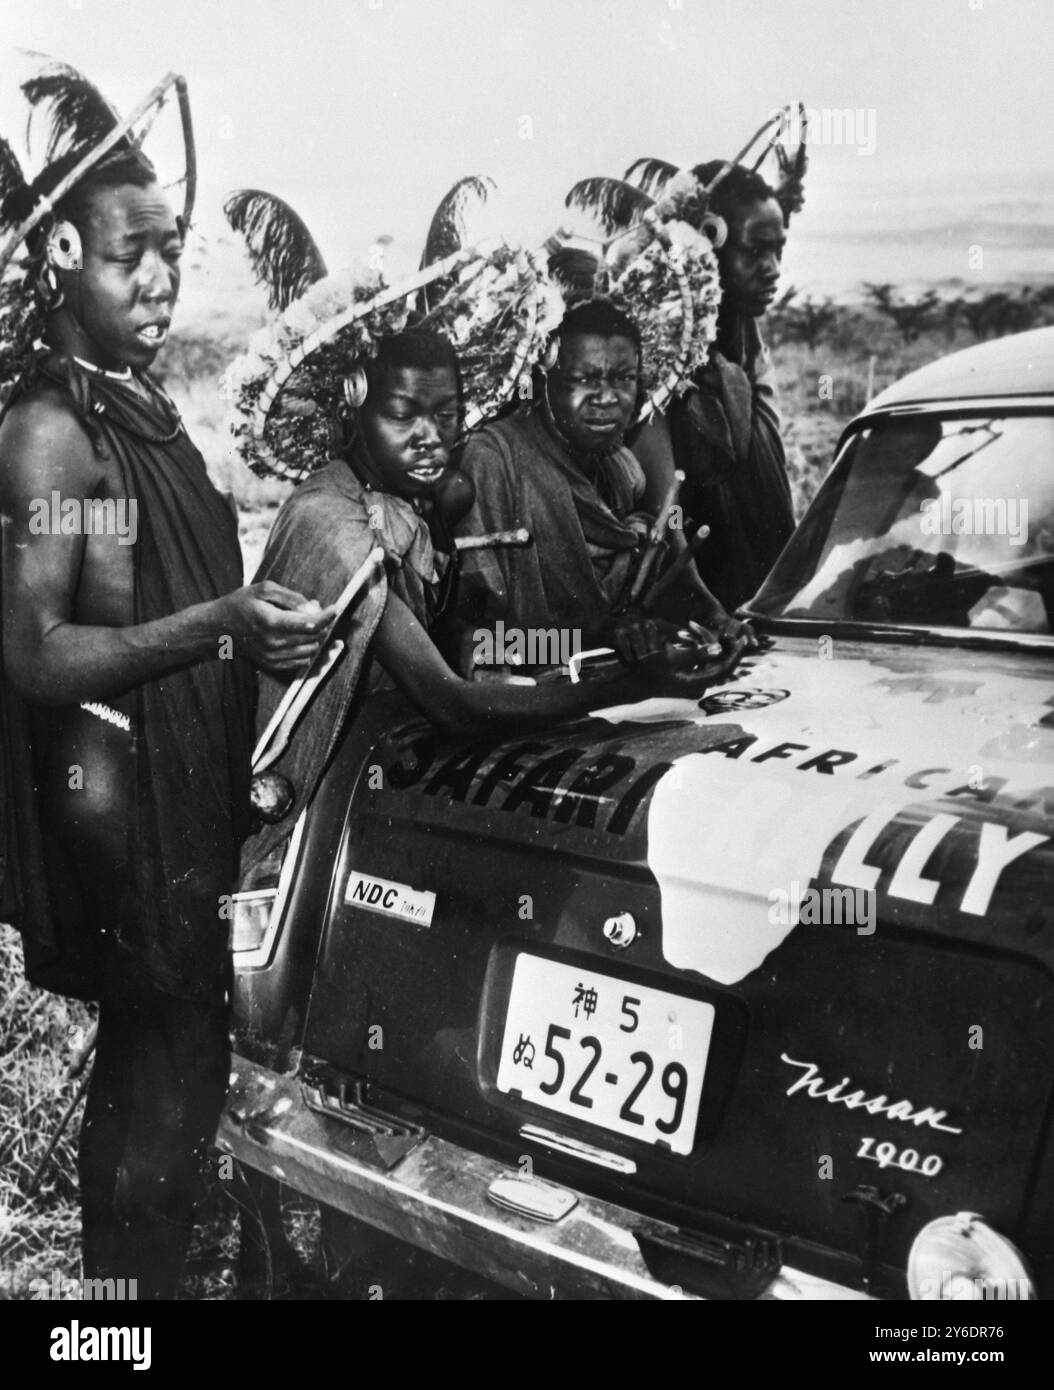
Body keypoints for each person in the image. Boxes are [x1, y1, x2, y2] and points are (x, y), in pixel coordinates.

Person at [0, 127, 329, 1295]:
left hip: (175, 779)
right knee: (155, 1077)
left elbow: (119, 572)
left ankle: (134, 1303)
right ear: (62, 254)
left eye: (171, 254)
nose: (157, 280)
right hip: (120, 800)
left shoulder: (127, 410)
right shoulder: (56, 435)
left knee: (174, 1063)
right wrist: (220, 625)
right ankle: (112, 1322)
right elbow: (39, 653)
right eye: (129, 257)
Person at [242, 326, 742, 871]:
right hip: (308, 813)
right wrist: (636, 684)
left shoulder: (412, 502)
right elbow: (451, 702)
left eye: (447, 413)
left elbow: (476, 644)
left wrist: (601, 636)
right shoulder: (334, 525)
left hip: (383, 771)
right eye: (403, 415)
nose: (429, 436)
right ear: (353, 412)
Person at [452, 297, 738, 660]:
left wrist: (712, 620)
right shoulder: (493, 461)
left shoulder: (621, 473)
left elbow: (651, 606)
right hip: (517, 701)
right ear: (545, 382)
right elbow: (472, 646)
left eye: (623, 379)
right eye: (583, 379)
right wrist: (593, 639)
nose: (607, 398)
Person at [631, 163, 796, 611]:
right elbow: (665, 519)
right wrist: (715, 616)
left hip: (761, 588)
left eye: (779, 250)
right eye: (756, 251)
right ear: (708, 241)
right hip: (700, 604)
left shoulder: (742, 332)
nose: (772, 269)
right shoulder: (661, 351)